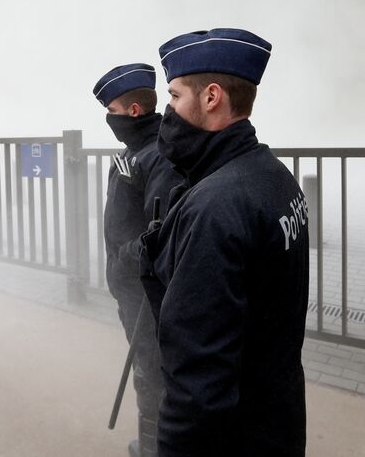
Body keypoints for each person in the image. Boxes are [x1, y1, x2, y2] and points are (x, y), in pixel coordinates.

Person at [140, 28, 309, 456]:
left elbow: (198, 381)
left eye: (175, 96)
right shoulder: (274, 176)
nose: (168, 111)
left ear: (211, 97)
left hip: (233, 437)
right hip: (277, 420)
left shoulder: (215, 206)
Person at [92, 63, 181, 457]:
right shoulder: (138, 149)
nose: (108, 118)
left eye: (110, 110)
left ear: (132, 112)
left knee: (152, 370)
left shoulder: (158, 155)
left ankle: (155, 446)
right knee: (147, 366)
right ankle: (153, 440)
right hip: (130, 286)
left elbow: (160, 233)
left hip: (146, 292)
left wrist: (126, 263)